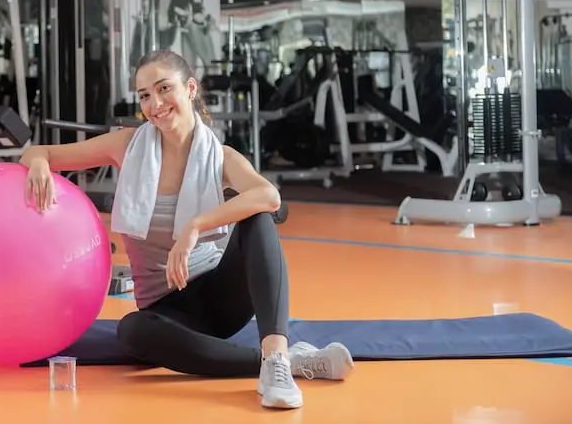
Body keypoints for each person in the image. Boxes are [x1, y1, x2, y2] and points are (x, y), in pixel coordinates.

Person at [19, 49, 354, 409]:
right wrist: (39, 164)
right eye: (145, 95)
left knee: (258, 216)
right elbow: (39, 153)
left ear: (190, 88)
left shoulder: (221, 156)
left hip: (221, 297)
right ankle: (288, 364)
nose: (155, 104)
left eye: (164, 88)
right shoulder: (127, 145)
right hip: (167, 308)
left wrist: (195, 226)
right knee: (132, 330)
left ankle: (276, 356)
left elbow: (269, 196)